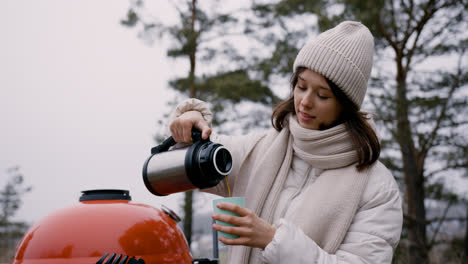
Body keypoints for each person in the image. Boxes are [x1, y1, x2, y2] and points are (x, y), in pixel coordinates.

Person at [169, 21, 403, 264]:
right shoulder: (258, 149)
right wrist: (190, 123)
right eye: (301, 87)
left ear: (345, 105)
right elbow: (183, 159)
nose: (304, 102)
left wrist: (273, 240)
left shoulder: (377, 188)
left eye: (322, 95)